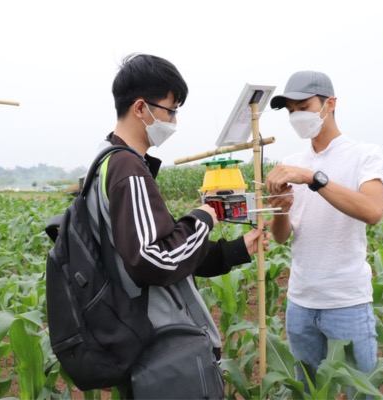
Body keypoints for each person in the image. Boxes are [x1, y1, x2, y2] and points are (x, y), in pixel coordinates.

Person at [88, 53, 269, 398]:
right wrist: (203, 218)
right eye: (170, 110)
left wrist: (236, 249)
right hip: (160, 347)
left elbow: (163, 249)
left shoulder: (106, 161)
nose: (173, 120)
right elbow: (154, 260)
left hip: (137, 340)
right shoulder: (127, 169)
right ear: (141, 108)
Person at [264, 70, 383, 397]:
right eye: (291, 110)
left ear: (329, 104)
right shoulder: (292, 161)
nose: (297, 116)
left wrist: (313, 179)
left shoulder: (365, 154)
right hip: (300, 302)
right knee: (306, 392)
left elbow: (372, 211)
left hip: (346, 302)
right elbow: (281, 235)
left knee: (357, 393)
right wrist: (280, 207)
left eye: (303, 106)